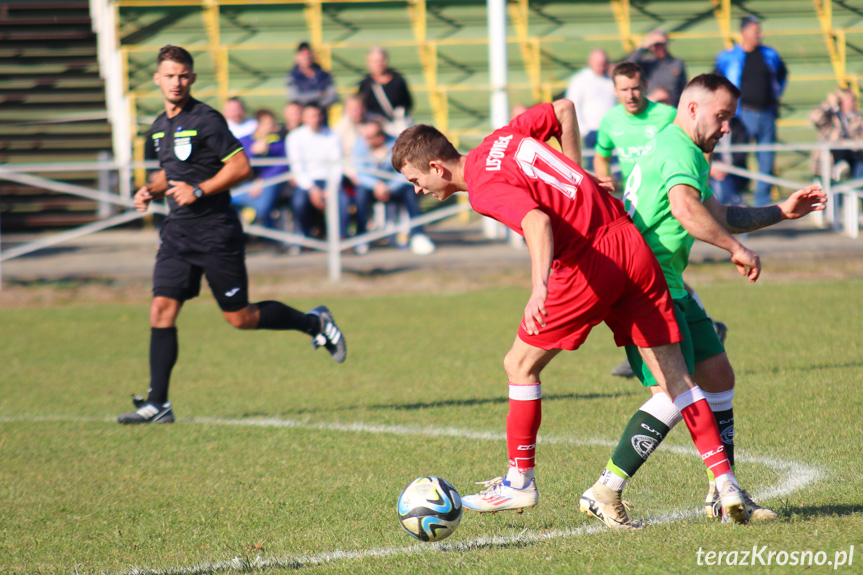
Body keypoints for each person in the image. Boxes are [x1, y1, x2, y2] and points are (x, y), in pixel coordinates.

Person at [392, 99, 754, 527]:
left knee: (519, 364)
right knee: (677, 378)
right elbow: (563, 109)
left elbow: (536, 222)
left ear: (436, 167)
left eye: (415, 180)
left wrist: (539, 285)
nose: (417, 190)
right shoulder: (502, 138)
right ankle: (726, 483)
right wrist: (576, 176)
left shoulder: (484, 187)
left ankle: (519, 480)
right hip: (630, 245)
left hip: (587, 260)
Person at [586, 73, 826, 525]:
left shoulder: (685, 150)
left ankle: (723, 494)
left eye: (731, 119)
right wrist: (737, 249)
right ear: (692, 108)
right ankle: (606, 488)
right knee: (676, 396)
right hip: (644, 289)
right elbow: (684, 210)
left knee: (717, 378)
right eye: (721, 117)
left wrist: (782, 211)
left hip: (672, 285)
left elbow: (718, 214)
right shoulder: (677, 148)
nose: (727, 128)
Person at [118, 46, 346, 425]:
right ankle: (158, 404)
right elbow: (172, 172)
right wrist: (150, 189)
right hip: (178, 233)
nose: (176, 82)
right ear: (157, 79)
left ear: (191, 78)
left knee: (239, 318)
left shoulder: (206, 119)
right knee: (161, 310)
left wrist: (201, 190)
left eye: (183, 75)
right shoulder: (159, 127)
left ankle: (315, 323)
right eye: (170, 75)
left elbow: (241, 167)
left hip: (215, 232)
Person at [715, 16, 788, 207]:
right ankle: (737, 198)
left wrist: (775, 94)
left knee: (766, 160)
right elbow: (716, 81)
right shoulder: (729, 57)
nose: (760, 35)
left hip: (767, 113)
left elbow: (782, 74)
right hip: (742, 115)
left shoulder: (770, 54)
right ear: (744, 33)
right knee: (738, 157)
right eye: (756, 32)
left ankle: (762, 203)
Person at [352, 119, 434, 255]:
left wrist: (388, 187)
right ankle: (361, 236)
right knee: (360, 194)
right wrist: (377, 185)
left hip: (394, 187)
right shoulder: (360, 143)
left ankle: (418, 235)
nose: (365, 140)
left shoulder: (396, 145)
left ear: (380, 137)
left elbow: (405, 172)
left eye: (369, 137)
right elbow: (360, 173)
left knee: (410, 192)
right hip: (372, 188)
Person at [594, 62, 676, 185]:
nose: (630, 96)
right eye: (624, 90)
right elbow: (601, 158)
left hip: (668, 196)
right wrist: (606, 181)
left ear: (645, 85)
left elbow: (695, 146)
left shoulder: (669, 115)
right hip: (633, 199)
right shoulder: (610, 119)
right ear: (615, 91)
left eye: (635, 88)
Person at [287, 104, 349, 243]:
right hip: (306, 182)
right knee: (299, 203)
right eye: (311, 116)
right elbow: (297, 167)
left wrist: (330, 188)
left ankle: (340, 239)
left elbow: (337, 165)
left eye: (317, 115)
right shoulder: (294, 137)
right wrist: (312, 189)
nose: (315, 119)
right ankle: (305, 238)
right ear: (303, 118)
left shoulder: (333, 135)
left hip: (329, 181)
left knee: (343, 201)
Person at [230, 109, 288, 230]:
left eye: (272, 123)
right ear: (258, 124)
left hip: (268, 184)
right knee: (228, 200)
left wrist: (262, 180)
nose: (272, 126)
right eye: (268, 123)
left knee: (263, 206)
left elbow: (282, 165)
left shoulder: (278, 143)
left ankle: (258, 227)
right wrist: (253, 152)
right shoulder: (245, 141)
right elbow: (239, 163)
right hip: (245, 184)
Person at [563, 48, 617, 171]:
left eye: (604, 64)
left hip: (611, 130)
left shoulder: (611, 79)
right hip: (592, 131)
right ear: (590, 62)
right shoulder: (580, 80)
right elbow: (573, 104)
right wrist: (583, 130)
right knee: (595, 168)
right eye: (599, 64)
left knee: (614, 167)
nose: (602, 67)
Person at [809, 88, 863, 181]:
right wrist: (830, 105)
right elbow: (815, 118)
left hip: (852, 159)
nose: (853, 102)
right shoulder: (830, 116)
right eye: (850, 99)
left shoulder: (857, 118)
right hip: (829, 161)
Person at [357, 46, 413, 135]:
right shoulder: (365, 84)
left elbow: (408, 103)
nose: (379, 64)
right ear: (369, 63)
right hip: (374, 125)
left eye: (381, 60)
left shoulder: (397, 80)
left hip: (396, 124)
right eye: (375, 61)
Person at [625, 30, 688, 106]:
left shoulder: (676, 63)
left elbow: (684, 87)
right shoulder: (647, 63)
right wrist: (643, 47)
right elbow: (628, 65)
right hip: (651, 107)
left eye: (662, 44)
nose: (660, 47)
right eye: (656, 45)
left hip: (672, 107)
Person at [286, 42, 339, 118]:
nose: (306, 57)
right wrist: (319, 94)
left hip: (321, 118)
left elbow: (333, 97)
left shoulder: (324, 75)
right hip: (301, 119)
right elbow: (295, 97)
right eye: (303, 54)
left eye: (308, 54)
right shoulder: (292, 76)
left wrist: (316, 108)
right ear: (297, 56)